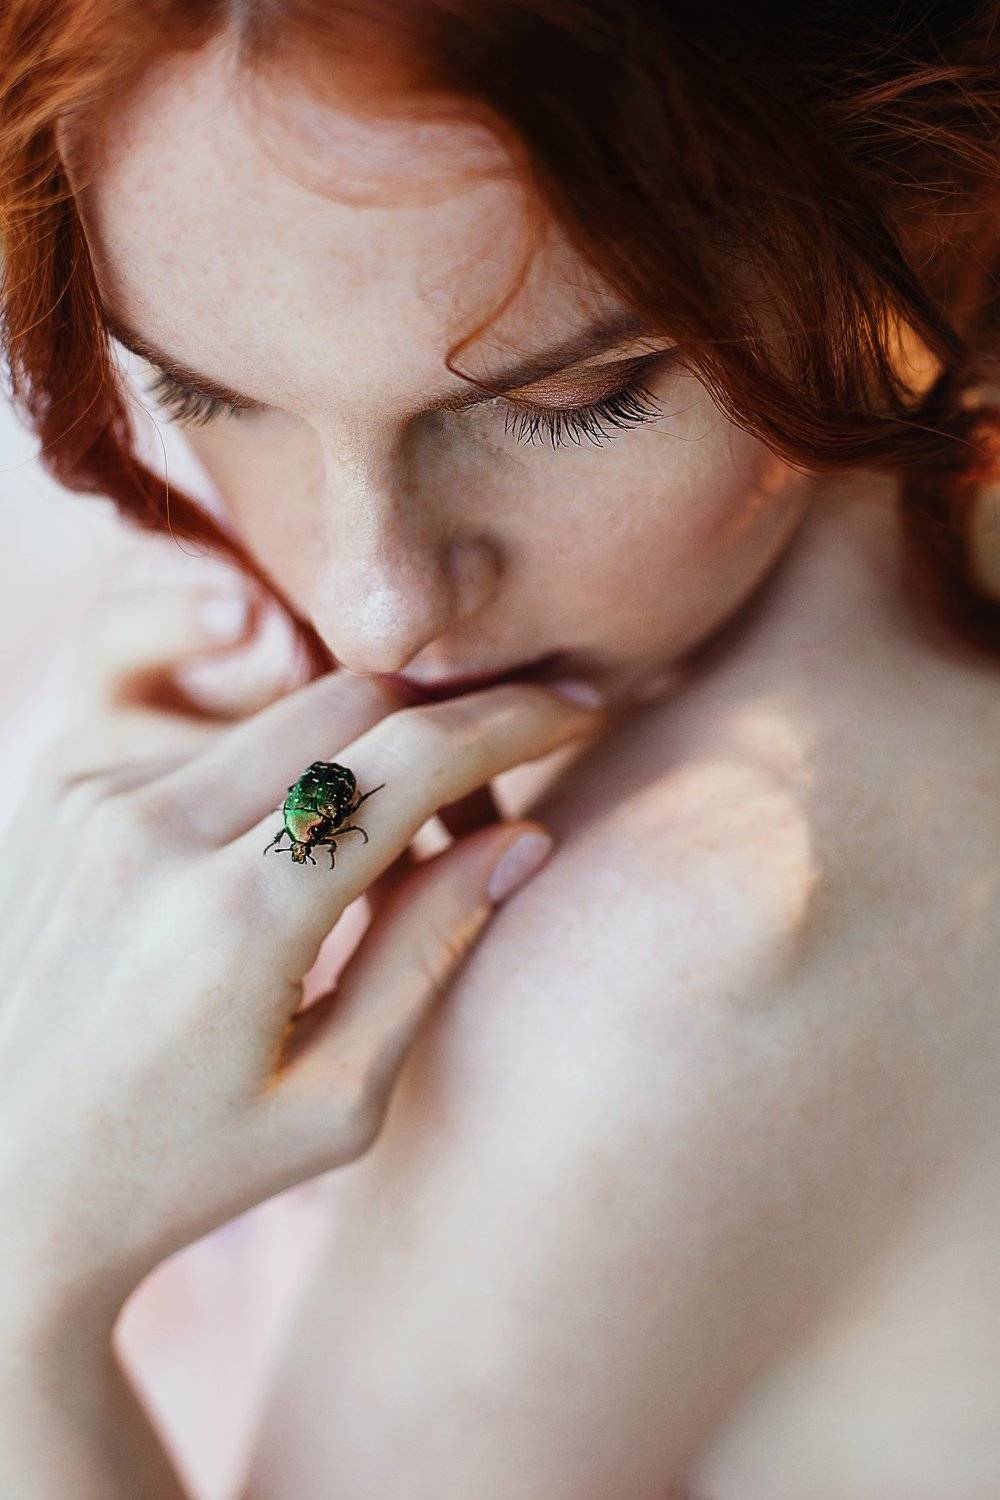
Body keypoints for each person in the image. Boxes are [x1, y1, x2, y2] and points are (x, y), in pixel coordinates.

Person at [1, 3, 998, 1495]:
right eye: (204, 390)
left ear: (935, 200)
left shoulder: (680, 955)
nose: (371, 606)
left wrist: (25, 1273)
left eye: (567, 399)